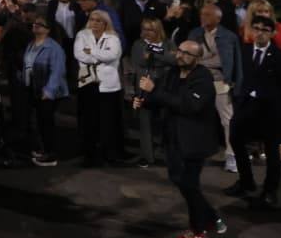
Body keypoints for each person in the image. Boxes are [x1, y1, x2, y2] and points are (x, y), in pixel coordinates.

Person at [135, 39, 223, 238]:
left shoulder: (203, 79)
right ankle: (211, 217)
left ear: (197, 58)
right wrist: (145, 101)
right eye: (180, 51)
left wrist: (154, 90)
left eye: (187, 53)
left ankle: (199, 231)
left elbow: (188, 105)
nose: (180, 55)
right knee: (178, 179)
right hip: (173, 138)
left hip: (195, 141)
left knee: (189, 184)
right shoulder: (173, 73)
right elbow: (162, 100)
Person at [225, 15, 281, 209]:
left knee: (272, 152)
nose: (259, 33)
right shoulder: (244, 52)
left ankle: (270, 190)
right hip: (245, 107)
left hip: (270, 111)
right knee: (236, 141)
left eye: (264, 29)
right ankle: (246, 181)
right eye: (256, 28)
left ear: (272, 33)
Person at [191, 2, 244, 173]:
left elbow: (227, 62)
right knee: (197, 118)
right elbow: (188, 57)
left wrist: (205, 62)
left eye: (207, 14)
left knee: (228, 120)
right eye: (202, 14)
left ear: (218, 18)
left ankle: (232, 156)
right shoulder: (195, 33)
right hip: (199, 82)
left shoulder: (228, 37)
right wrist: (211, 61)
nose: (203, 17)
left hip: (222, 83)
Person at [75, 10, 126, 167]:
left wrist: (92, 52)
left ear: (105, 23)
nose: (94, 23)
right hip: (87, 83)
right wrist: (99, 56)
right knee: (88, 122)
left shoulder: (113, 37)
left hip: (108, 86)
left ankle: (109, 155)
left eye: (98, 20)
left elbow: (113, 55)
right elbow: (79, 54)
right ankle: (89, 156)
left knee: (108, 122)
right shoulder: (82, 35)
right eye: (92, 19)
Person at [128, 16, 176, 167]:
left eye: (151, 29)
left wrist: (153, 55)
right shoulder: (138, 44)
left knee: (166, 122)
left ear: (158, 30)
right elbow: (141, 61)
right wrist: (164, 57)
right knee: (145, 123)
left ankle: (167, 155)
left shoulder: (169, 43)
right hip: (144, 89)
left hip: (165, 87)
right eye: (144, 29)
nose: (147, 32)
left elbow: (176, 60)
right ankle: (147, 157)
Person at [24, 16, 69, 167]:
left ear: (47, 30)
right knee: (40, 121)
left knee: (46, 122)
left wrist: (49, 90)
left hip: (50, 91)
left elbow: (57, 71)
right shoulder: (31, 44)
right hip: (36, 88)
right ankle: (44, 149)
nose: (35, 25)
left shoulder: (53, 48)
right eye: (35, 23)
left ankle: (51, 154)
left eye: (40, 24)